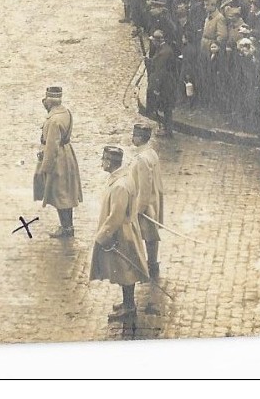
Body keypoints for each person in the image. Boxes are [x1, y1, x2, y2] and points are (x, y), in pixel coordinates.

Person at [89, 145, 148, 323]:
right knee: (124, 269)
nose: (102, 163)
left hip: (121, 234)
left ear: (109, 162)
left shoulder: (120, 186)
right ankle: (127, 303)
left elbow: (116, 216)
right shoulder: (121, 178)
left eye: (103, 160)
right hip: (123, 231)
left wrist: (102, 236)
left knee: (126, 270)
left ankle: (129, 307)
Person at [36, 86, 83, 238]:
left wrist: (45, 167)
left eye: (46, 102)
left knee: (60, 194)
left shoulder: (54, 120)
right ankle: (68, 226)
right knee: (67, 193)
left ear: (50, 102)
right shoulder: (66, 112)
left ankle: (66, 228)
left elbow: (51, 146)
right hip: (67, 153)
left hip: (58, 159)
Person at [128, 123, 164, 279]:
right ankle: (152, 263)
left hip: (146, 203)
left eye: (135, 135)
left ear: (140, 138)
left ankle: (151, 265)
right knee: (151, 234)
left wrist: (139, 209)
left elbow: (144, 187)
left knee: (149, 235)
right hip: (154, 199)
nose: (132, 138)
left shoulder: (142, 158)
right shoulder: (151, 153)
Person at [146, 30, 180, 137]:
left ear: (158, 41)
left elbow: (160, 71)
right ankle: (166, 128)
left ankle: (167, 130)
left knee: (166, 108)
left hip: (166, 84)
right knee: (165, 107)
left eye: (153, 41)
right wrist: (149, 61)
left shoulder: (164, 53)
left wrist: (156, 88)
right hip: (166, 83)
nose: (152, 43)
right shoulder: (163, 49)